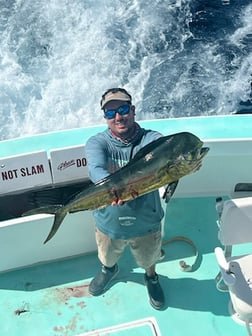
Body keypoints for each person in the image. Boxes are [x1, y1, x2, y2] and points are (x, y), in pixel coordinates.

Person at [85, 87, 165, 310]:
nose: (118, 117)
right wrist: (116, 189)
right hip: (108, 222)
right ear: (105, 118)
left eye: (122, 109)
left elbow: (162, 156)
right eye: (111, 113)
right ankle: (109, 270)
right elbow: (95, 170)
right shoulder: (97, 142)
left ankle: (151, 277)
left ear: (133, 110)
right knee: (107, 257)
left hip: (147, 222)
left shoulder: (152, 138)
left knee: (149, 260)